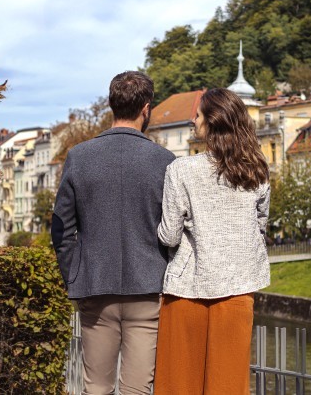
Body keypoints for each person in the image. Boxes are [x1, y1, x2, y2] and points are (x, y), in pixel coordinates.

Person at [52, 71, 175, 395]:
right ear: (146, 108)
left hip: (94, 287)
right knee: (137, 389)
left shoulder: (79, 157)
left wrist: (74, 274)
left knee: (96, 387)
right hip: (148, 287)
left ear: (111, 105)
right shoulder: (165, 161)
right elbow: (174, 230)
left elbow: (61, 227)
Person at [154, 88, 271, 394]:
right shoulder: (256, 171)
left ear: (211, 121)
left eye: (197, 115)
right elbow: (260, 227)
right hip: (238, 289)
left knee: (178, 384)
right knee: (229, 385)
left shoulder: (181, 169)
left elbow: (169, 235)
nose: (193, 121)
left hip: (187, 290)